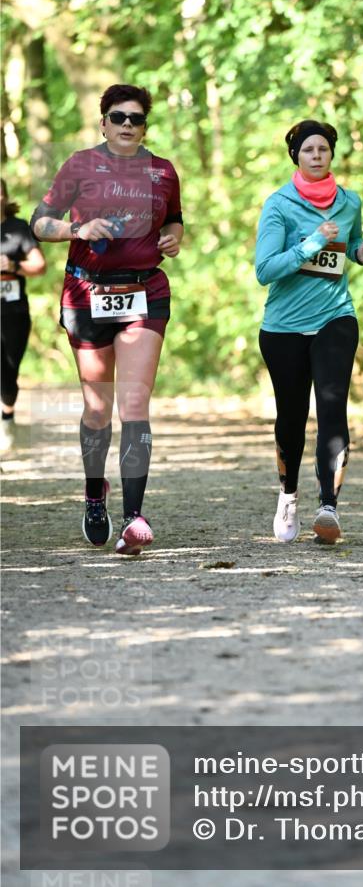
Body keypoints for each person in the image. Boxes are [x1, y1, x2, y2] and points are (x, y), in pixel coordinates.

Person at [30, 84, 183, 554]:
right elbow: (40, 222)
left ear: (145, 126)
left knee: (133, 406)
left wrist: (174, 238)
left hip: (144, 291)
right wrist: (77, 228)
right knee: (98, 410)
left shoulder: (162, 171)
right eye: (118, 118)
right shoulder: (79, 165)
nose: (127, 127)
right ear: (103, 123)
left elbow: (175, 219)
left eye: (136, 119)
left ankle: (133, 517)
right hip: (87, 293)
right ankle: (95, 493)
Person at [255, 119, 363, 543]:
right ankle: (288, 495)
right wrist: (309, 243)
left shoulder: (349, 202)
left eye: (323, 149)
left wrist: (362, 253)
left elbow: (352, 246)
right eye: (308, 150)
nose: (316, 156)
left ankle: (328, 506)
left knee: (332, 408)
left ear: (332, 154)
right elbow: (264, 270)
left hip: (335, 317)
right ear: (296, 156)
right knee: (291, 419)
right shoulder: (278, 205)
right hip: (284, 327)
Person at [1, 179, 47, 450]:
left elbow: (39, 266)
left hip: (13, 312)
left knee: (7, 373)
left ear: (5, 197)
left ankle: (7, 418)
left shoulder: (17, 229)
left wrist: (14, 265)